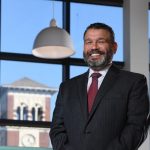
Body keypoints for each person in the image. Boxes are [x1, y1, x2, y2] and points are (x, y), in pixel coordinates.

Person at [50, 22, 149, 150]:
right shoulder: (67, 88)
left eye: (101, 41)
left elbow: (136, 127)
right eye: (89, 42)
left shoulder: (134, 82)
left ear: (114, 47)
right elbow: (57, 130)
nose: (94, 47)